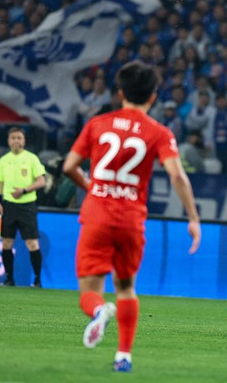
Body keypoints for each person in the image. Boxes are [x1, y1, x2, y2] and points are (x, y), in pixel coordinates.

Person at [62, 60, 201, 373]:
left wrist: (93, 186)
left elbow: (69, 166)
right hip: (130, 221)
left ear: (121, 93)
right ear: (152, 97)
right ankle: (123, 356)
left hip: (97, 216)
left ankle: (99, 312)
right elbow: (177, 175)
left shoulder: (98, 124)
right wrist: (193, 218)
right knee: (126, 288)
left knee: (90, 293)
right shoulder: (159, 132)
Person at [0, 127, 46, 287]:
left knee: (32, 243)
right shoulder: (4, 160)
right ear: (8, 141)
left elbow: (41, 181)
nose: (16, 140)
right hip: (8, 206)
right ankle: (9, 279)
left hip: (27, 206)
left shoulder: (31, 158)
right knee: (7, 243)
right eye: (13, 138)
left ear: (24, 141)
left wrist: (24, 190)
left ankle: (37, 280)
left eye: (19, 138)